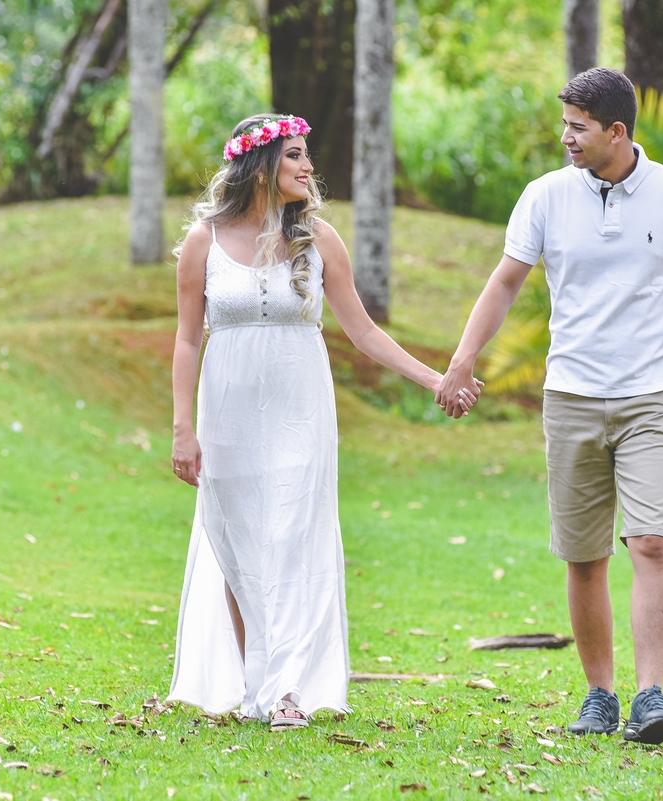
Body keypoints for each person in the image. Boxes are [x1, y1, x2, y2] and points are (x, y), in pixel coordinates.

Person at [437, 68, 663, 744]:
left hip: (652, 393)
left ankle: (650, 695)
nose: (565, 137)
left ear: (616, 131)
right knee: (584, 554)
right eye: (565, 124)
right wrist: (463, 359)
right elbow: (505, 281)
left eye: (577, 127)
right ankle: (599, 695)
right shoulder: (544, 197)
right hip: (571, 393)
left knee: (652, 541)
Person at [165, 114, 479, 731]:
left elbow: (362, 332)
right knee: (235, 543)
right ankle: (258, 677)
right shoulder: (204, 241)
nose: (309, 168)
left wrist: (438, 380)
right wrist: (182, 427)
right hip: (225, 405)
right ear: (260, 166)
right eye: (296, 157)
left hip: (300, 406)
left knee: (289, 536)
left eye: (307, 157)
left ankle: (285, 691)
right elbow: (185, 341)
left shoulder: (319, 239)